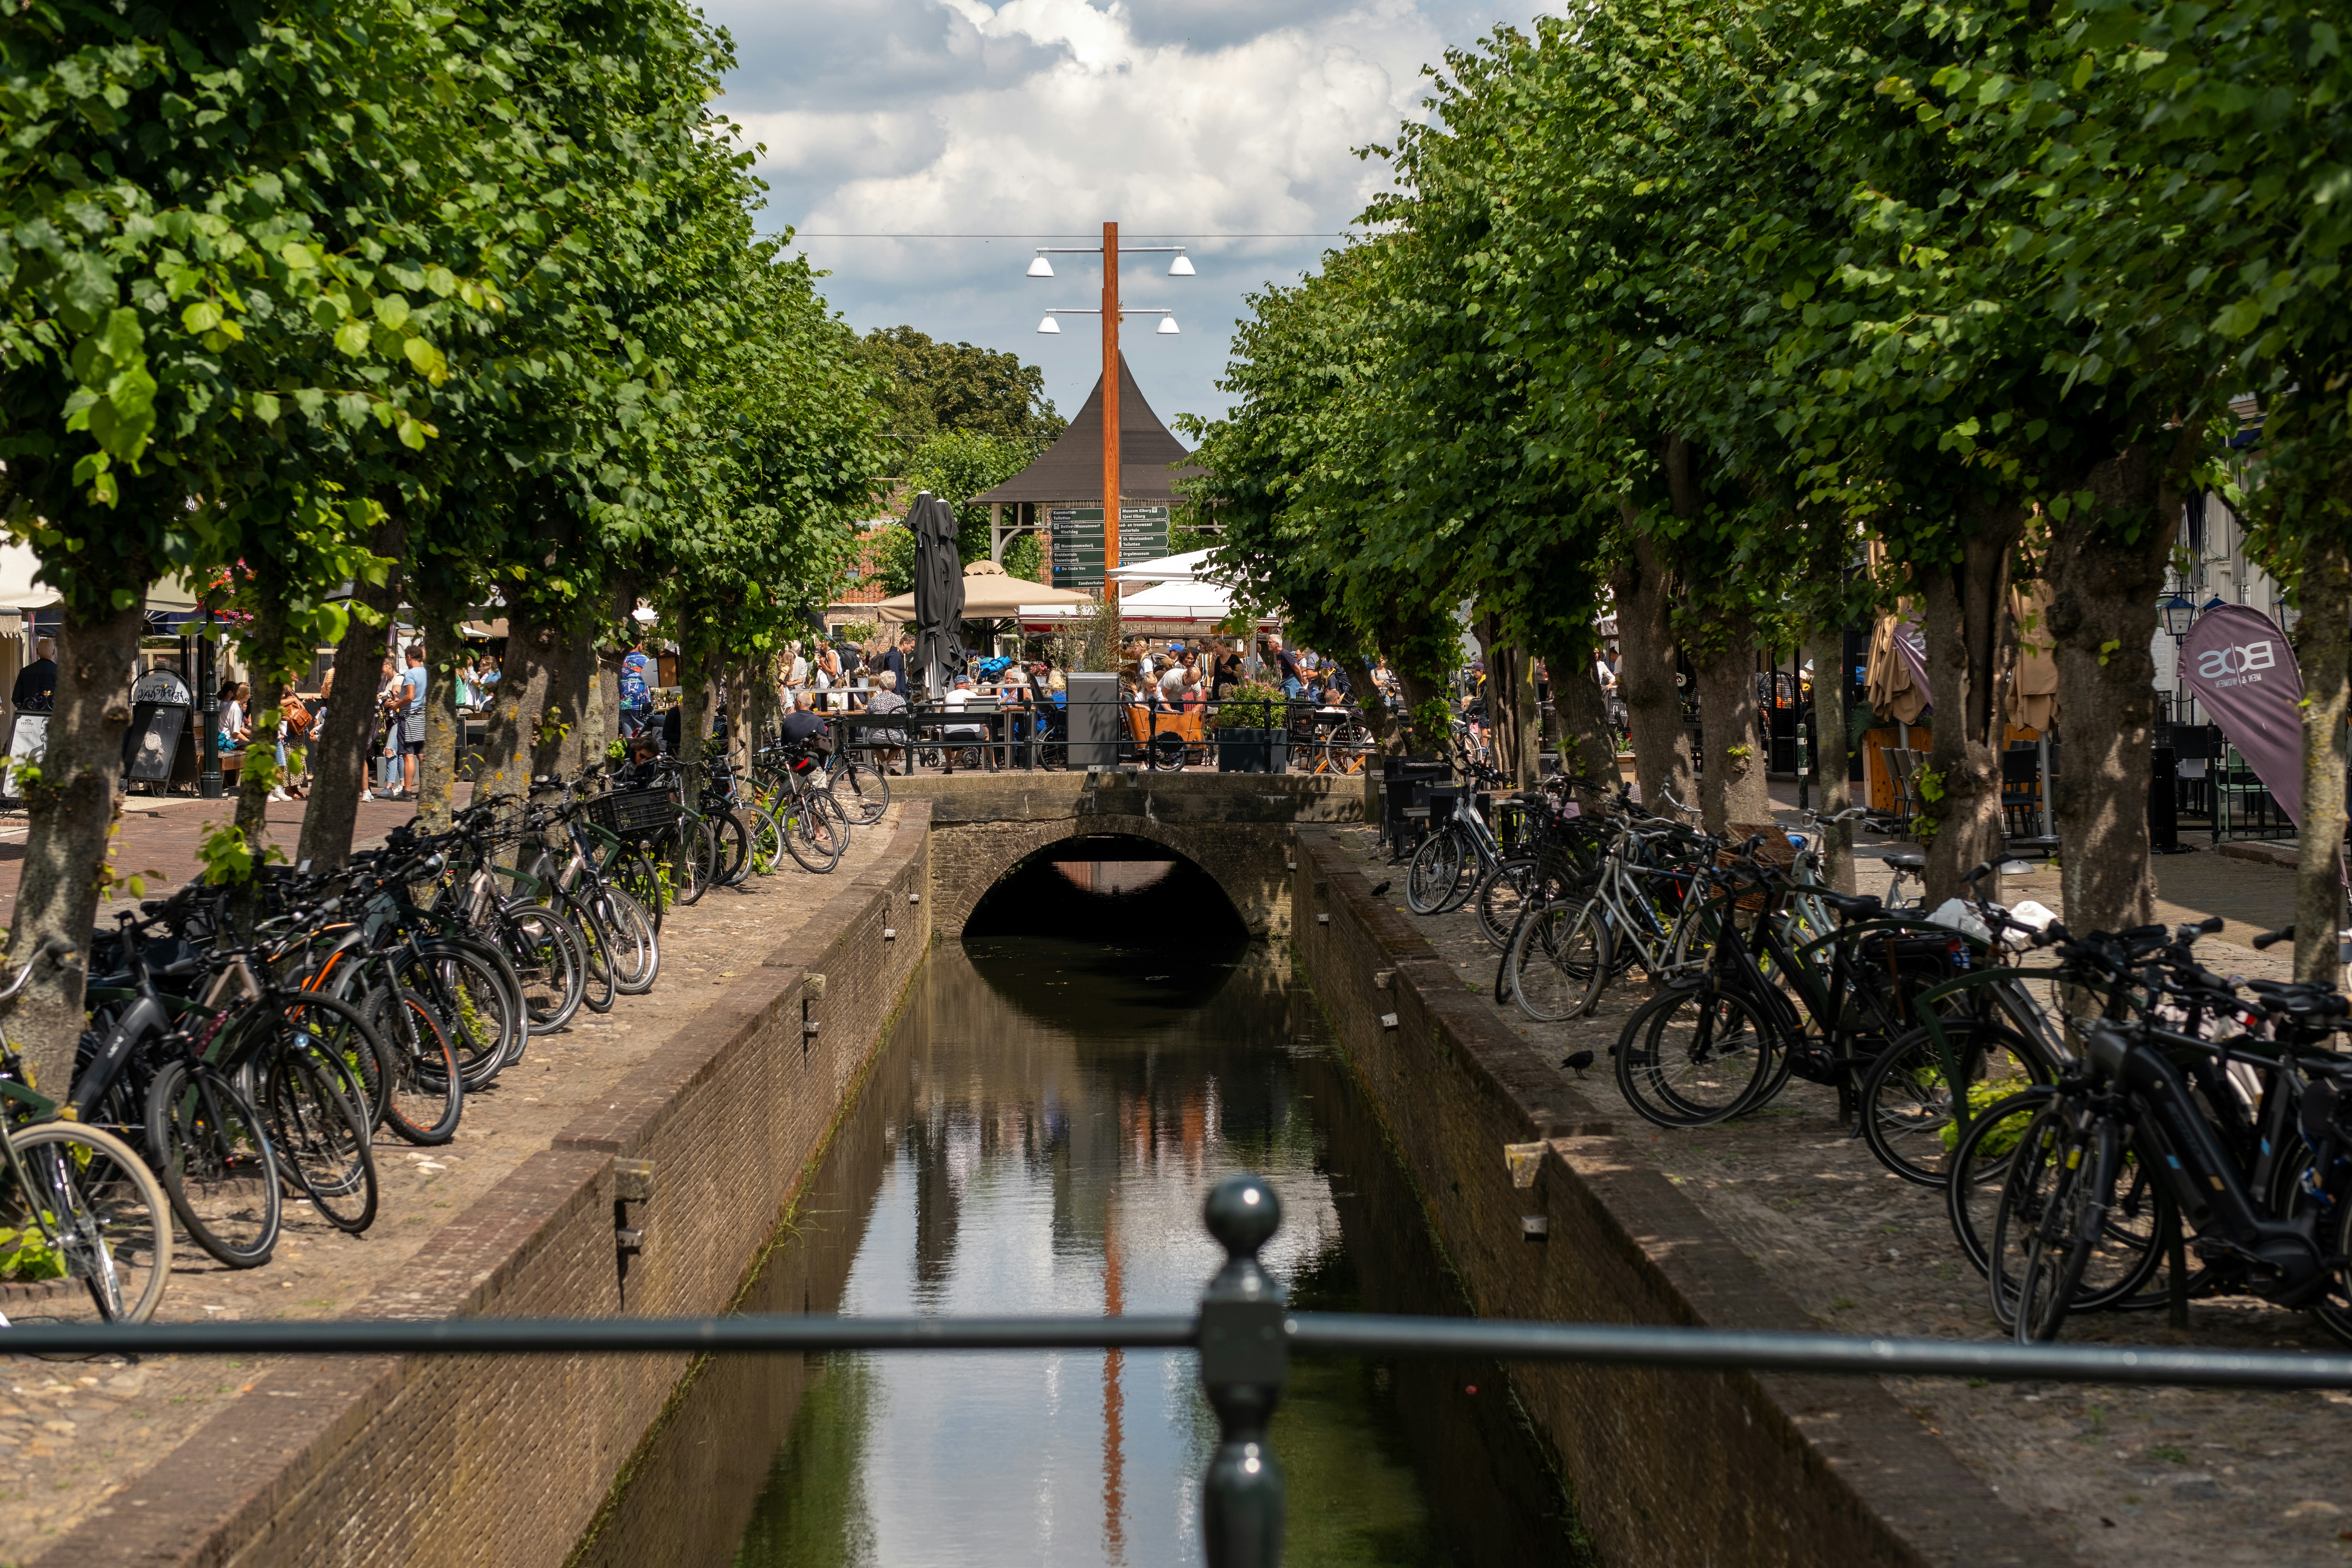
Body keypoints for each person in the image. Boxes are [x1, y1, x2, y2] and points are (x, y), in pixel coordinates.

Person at [6, 636, 56, 798]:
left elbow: (16, 699)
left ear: (36, 652)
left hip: (27, 724)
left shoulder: (25, 672)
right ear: (54, 653)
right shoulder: (61, 673)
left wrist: (27, 710)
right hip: (54, 723)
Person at [398, 643, 428, 797]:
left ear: (409, 657)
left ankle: (407, 791)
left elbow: (410, 697)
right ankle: (425, 790)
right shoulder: (427, 673)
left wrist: (396, 704)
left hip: (410, 716)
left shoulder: (410, 674)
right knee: (421, 754)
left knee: (408, 754)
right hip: (423, 716)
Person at [865, 670, 908, 766]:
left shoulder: (874, 700)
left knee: (873, 742)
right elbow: (905, 719)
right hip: (895, 736)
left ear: (880, 686)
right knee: (901, 742)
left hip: (877, 736)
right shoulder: (900, 700)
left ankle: (885, 765)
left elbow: (869, 718)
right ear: (894, 686)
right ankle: (886, 765)